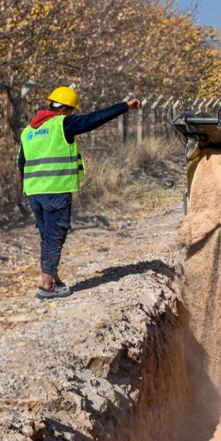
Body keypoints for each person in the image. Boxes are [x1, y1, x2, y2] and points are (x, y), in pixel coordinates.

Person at [17, 86, 142, 299]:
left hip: (34, 192)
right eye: (72, 111)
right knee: (55, 237)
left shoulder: (28, 132)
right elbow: (93, 119)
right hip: (56, 190)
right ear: (65, 109)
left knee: (47, 236)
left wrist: (26, 193)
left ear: (49, 104)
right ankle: (46, 287)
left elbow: (22, 164)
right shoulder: (61, 123)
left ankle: (53, 279)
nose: (72, 115)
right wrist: (124, 106)